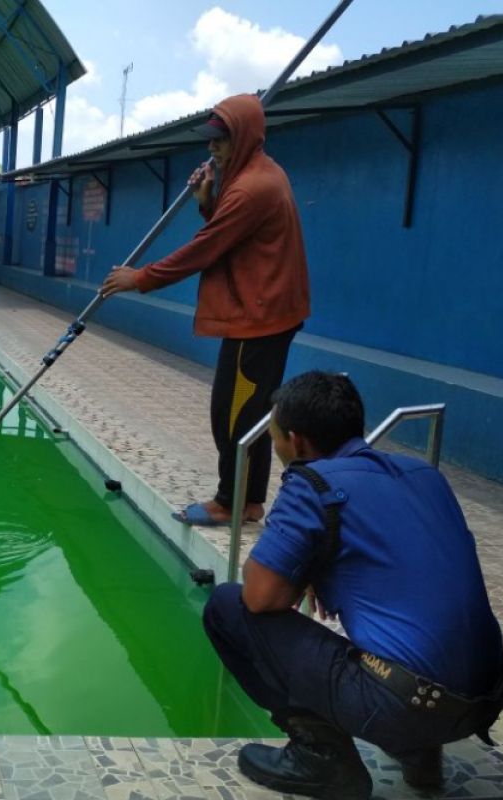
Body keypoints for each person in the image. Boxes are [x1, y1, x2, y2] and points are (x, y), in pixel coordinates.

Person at [202, 371, 503, 800]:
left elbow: (260, 597)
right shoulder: (425, 476)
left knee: (225, 606)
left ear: (296, 442)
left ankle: (322, 758)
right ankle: (421, 753)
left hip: (405, 706)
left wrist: (306, 570)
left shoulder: (313, 482)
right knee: (409, 640)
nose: (275, 450)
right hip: (481, 701)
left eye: (275, 440)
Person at [101, 93, 309, 527]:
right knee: (248, 414)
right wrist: (206, 198)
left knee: (233, 416)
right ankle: (247, 501)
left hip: (259, 318)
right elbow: (231, 232)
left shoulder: (253, 187)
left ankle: (231, 502)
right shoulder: (255, 174)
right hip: (262, 312)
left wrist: (138, 279)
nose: (212, 147)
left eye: (222, 139)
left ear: (246, 137)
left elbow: (206, 248)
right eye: (211, 139)